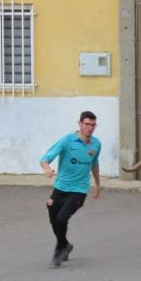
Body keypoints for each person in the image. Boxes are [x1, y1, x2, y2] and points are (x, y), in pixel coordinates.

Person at [40, 111, 102, 267]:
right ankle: (64, 244)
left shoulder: (96, 144)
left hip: (79, 190)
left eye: (93, 125)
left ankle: (59, 249)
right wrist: (47, 169)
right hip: (60, 187)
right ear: (80, 124)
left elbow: (94, 163)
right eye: (87, 124)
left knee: (62, 219)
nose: (90, 128)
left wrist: (97, 184)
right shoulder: (67, 140)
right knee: (54, 219)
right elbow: (45, 158)